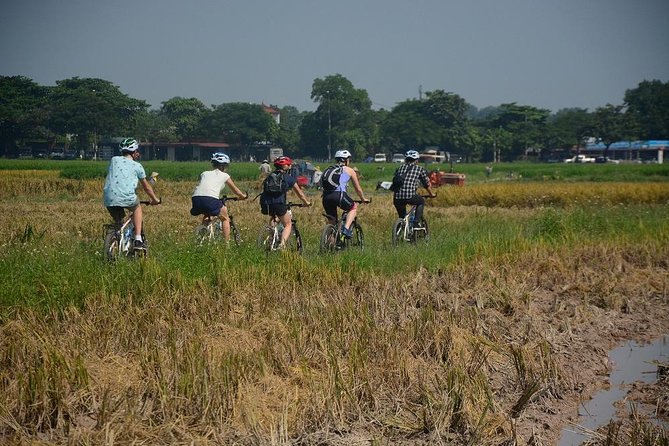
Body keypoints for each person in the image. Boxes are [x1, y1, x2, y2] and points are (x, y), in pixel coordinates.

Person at [103, 138, 161, 251]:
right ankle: (138, 239)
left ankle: (117, 239)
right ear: (134, 152)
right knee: (137, 207)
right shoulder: (137, 166)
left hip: (109, 198)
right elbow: (147, 187)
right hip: (127, 197)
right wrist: (155, 200)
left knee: (120, 222)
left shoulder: (113, 160)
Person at [190, 152, 248, 241]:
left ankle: (200, 239)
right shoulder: (225, 175)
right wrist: (243, 196)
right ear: (222, 166)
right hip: (210, 199)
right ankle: (226, 245)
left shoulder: (204, 173)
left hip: (196, 198)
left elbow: (206, 187)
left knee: (207, 215)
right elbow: (236, 190)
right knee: (225, 217)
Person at [259, 156, 311, 248]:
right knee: (288, 224)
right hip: (279, 203)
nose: (290, 166)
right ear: (285, 166)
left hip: (265, 204)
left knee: (275, 218)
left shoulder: (269, 177)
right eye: (289, 164)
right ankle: (281, 245)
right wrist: (306, 202)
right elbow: (300, 194)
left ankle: (271, 237)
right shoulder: (288, 178)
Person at [321, 150, 370, 239]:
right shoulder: (350, 170)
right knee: (353, 207)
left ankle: (329, 246)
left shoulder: (328, 169)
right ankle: (346, 229)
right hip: (338, 195)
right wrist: (363, 199)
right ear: (346, 160)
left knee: (332, 223)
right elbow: (358, 189)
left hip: (326, 197)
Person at [392, 150, 436, 226]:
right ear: (416, 160)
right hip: (410, 196)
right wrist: (431, 194)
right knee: (421, 201)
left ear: (406, 159)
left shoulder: (400, 168)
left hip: (397, 197)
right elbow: (426, 184)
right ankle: (416, 221)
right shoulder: (419, 169)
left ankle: (399, 231)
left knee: (402, 217)